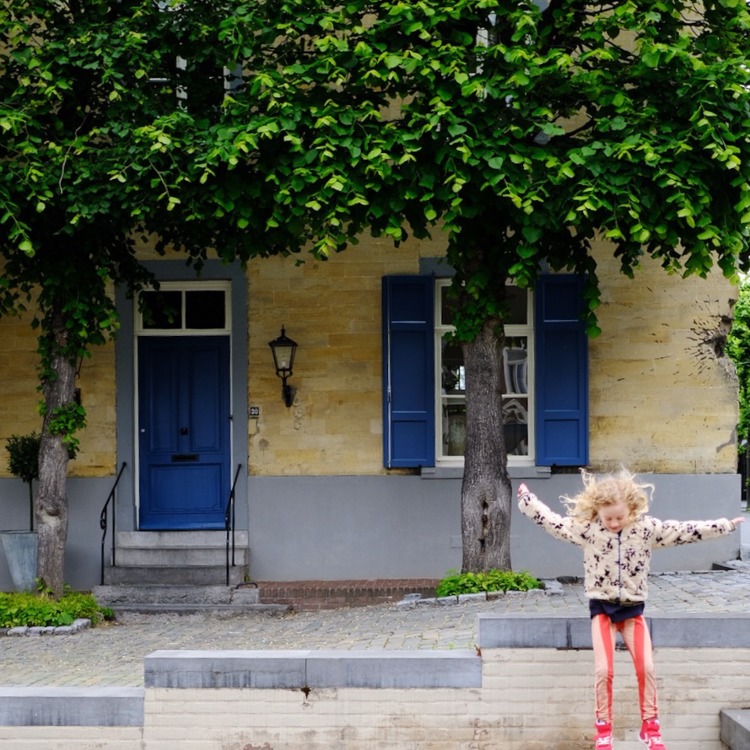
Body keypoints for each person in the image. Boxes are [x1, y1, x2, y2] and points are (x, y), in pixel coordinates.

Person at [517, 469, 744, 750]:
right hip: (602, 610)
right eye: (607, 518)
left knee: (646, 667)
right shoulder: (589, 530)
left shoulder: (646, 529)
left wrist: (725, 526)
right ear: (597, 512)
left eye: (619, 517)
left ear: (632, 509)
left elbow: (684, 531)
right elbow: (553, 523)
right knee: (603, 671)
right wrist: (528, 500)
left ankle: (650, 727)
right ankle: (603, 729)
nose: (613, 523)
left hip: (633, 611)